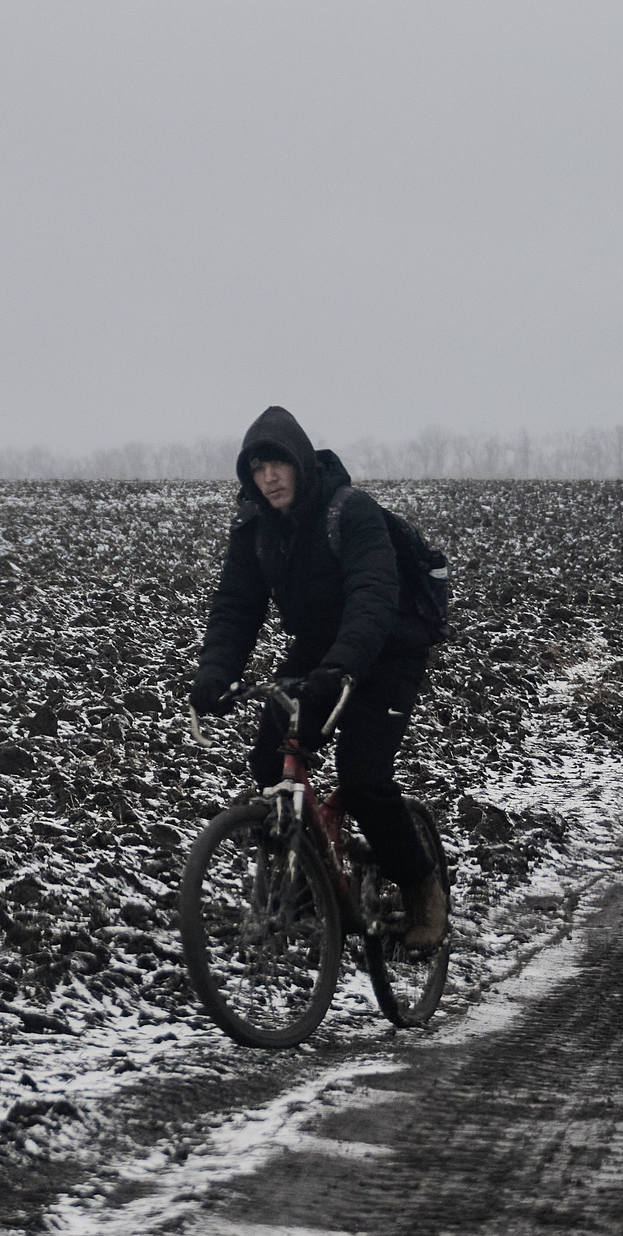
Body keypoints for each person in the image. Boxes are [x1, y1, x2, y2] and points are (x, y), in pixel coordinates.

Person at [188, 405, 444, 947]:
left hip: (389, 649)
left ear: (300, 463)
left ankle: (422, 887)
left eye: (278, 464)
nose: (269, 478)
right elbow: (236, 607)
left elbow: (373, 595)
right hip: (319, 651)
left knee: (364, 778)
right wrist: (215, 675)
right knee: (269, 757)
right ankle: (311, 881)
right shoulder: (256, 530)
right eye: (257, 469)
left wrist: (343, 665)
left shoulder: (351, 512)